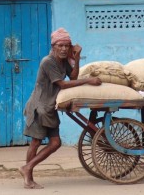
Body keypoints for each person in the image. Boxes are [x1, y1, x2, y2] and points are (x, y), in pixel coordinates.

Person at [19, 27, 102, 189]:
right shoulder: (48, 61)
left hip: (49, 107)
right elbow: (63, 84)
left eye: (66, 46)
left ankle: (26, 169)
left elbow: (72, 77)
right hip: (39, 106)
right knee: (36, 142)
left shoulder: (63, 61)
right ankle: (27, 176)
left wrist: (76, 59)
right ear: (53, 47)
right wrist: (88, 81)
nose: (64, 49)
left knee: (55, 143)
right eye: (60, 46)